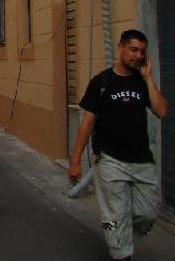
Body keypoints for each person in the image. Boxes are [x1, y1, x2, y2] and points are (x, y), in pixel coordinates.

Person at [69, 29, 168, 261]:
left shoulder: (142, 82)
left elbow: (162, 110)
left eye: (142, 52)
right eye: (133, 50)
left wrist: (148, 77)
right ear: (120, 47)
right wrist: (75, 160)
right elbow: (87, 124)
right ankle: (118, 246)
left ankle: (113, 227)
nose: (138, 55)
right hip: (110, 161)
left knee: (148, 213)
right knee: (114, 216)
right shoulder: (101, 82)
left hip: (142, 160)